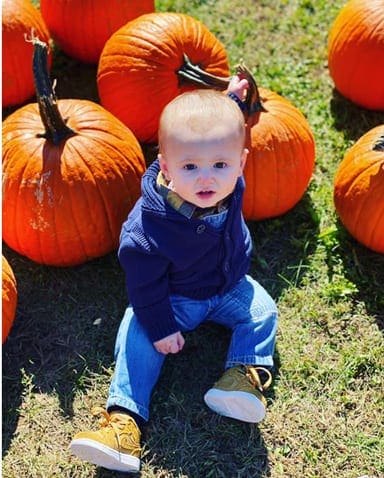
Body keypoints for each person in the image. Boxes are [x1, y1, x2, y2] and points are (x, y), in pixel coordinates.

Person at [68, 77, 278, 473]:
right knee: (137, 329)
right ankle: (124, 423)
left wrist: (231, 99)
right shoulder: (147, 230)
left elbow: (219, 132)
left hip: (228, 286)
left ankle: (240, 377)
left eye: (220, 165)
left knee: (264, 310)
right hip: (174, 298)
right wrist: (162, 326)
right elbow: (145, 287)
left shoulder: (227, 182)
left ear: (240, 162)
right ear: (165, 167)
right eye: (190, 167)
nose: (206, 179)